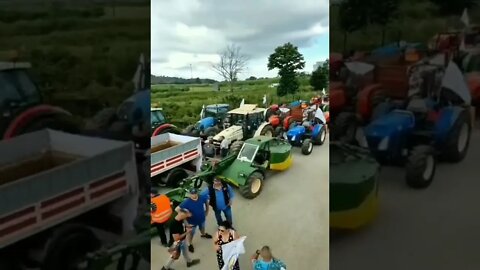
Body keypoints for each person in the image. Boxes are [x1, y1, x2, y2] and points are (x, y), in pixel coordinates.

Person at [175, 188, 212, 253]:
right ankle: (189, 244)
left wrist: (207, 211)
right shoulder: (186, 202)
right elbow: (177, 209)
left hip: (202, 219)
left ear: (197, 193)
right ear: (189, 194)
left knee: (202, 228)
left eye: (195, 193)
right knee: (191, 234)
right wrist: (186, 214)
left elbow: (206, 202)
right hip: (192, 222)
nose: (193, 195)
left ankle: (203, 234)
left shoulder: (201, 197)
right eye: (192, 194)